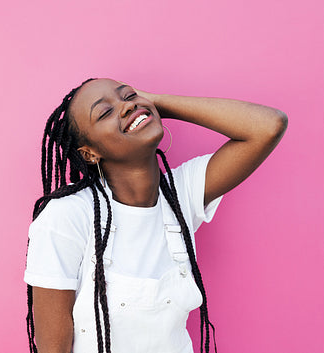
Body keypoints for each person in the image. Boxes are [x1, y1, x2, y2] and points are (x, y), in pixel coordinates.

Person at [24, 78, 288, 353]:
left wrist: (154, 103)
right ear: (90, 153)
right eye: (105, 112)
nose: (125, 107)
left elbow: (269, 126)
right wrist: (134, 108)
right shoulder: (68, 216)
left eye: (128, 95)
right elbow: (52, 349)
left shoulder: (181, 193)